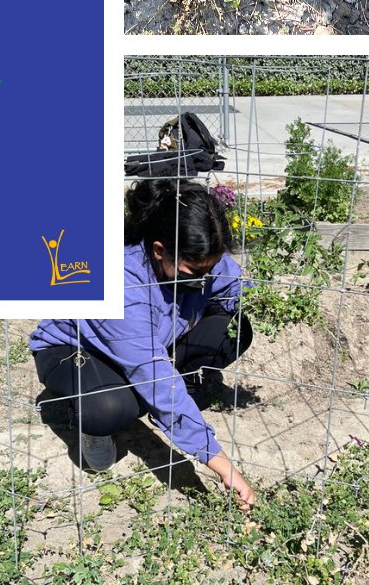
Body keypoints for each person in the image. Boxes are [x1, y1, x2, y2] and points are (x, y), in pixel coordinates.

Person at [30, 179, 257, 510]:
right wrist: (223, 466)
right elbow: (154, 378)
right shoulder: (123, 285)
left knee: (234, 329)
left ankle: (175, 403)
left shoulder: (201, 256)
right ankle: (95, 423)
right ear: (159, 250)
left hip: (145, 346)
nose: (203, 279)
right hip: (76, 353)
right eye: (193, 271)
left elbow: (233, 286)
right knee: (110, 407)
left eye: (209, 270)